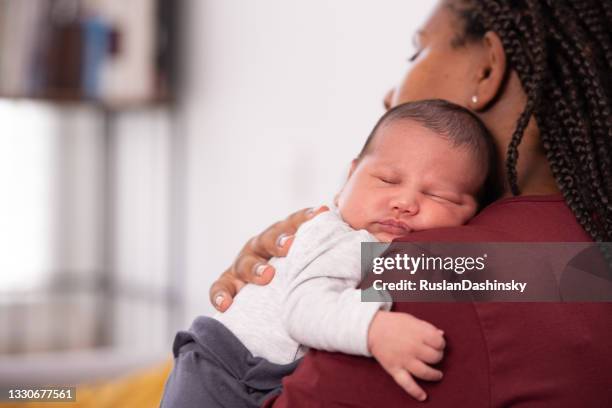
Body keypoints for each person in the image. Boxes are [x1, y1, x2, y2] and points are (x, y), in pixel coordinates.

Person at [209, 0, 612, 406]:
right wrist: (281, 289)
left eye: (417, 51)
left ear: (487, 69)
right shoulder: (588, 248)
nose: (389, 95)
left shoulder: (432, 270)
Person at [161, 99, 496, 407]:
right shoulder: (341, 236)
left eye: (440, 197)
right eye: (387, 179)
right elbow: (306, 310)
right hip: (223, 367)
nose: (405, 203)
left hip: (256, 373)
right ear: (348, 178)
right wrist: (375, 329)